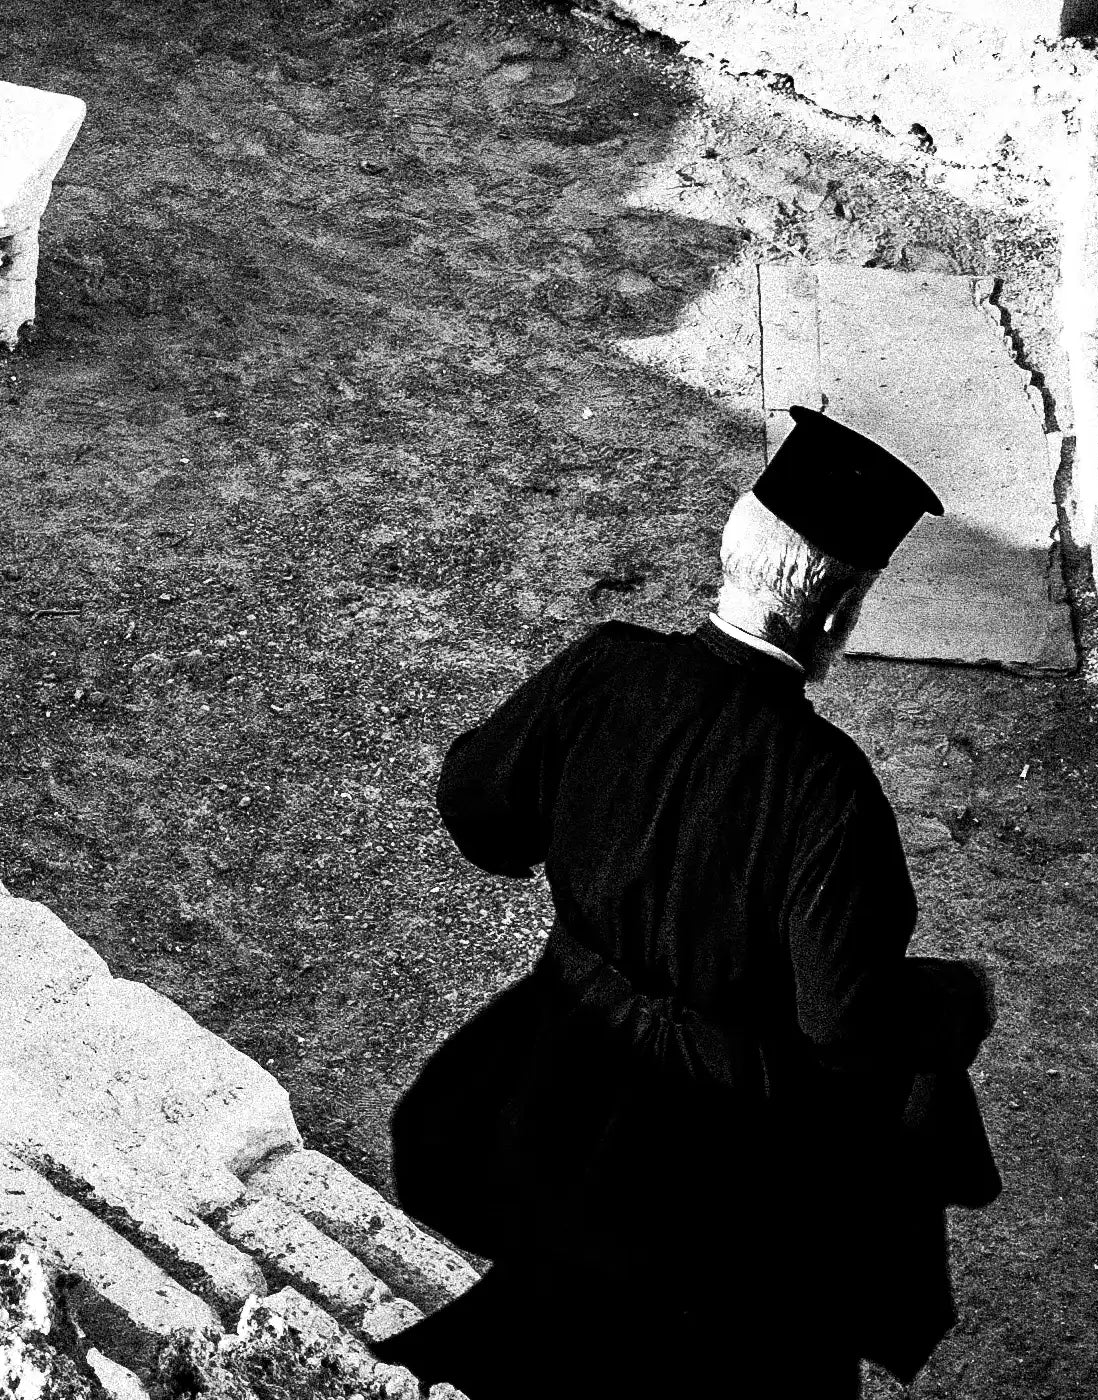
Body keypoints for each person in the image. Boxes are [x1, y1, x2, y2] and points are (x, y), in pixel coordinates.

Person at [370, 406, 1001, 1399]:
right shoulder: (823, 787)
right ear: (836, 614)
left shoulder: (604, 668)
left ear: (733, 553)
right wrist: (960, 997)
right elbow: (842, 1017)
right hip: (719, 1168)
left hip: (556, 1083)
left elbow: (478, 808)